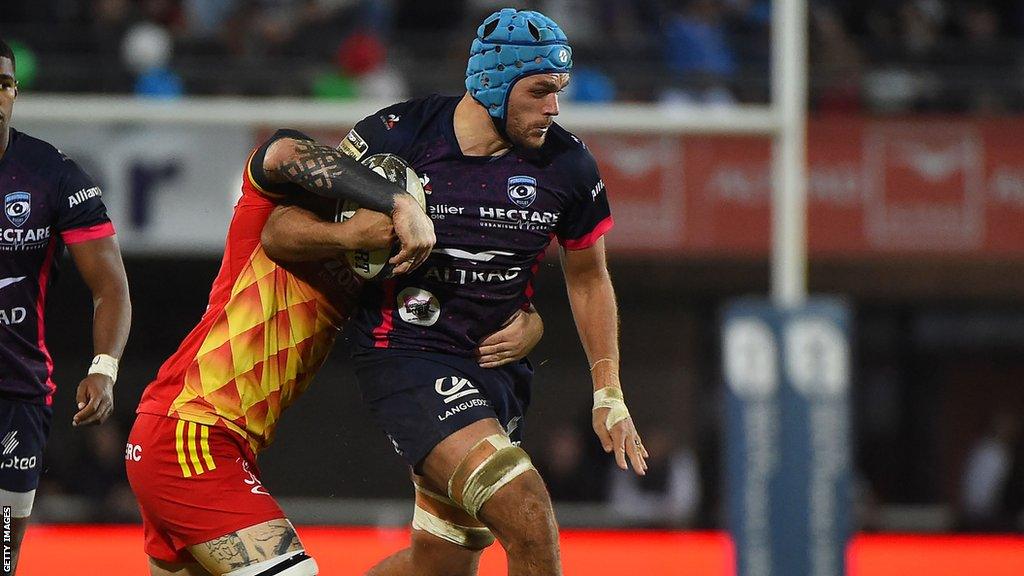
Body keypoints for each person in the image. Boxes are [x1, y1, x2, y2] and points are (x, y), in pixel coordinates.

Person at [298, 9, 647, 576]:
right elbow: (282, 229)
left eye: (558, 92)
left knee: (438, 567)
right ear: (492, 82)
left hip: (497, 376)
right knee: (528, 511)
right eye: (538, 92)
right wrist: (353, 234)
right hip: (406, 356)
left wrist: (608, 390)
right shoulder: (396, 135)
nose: (553, 107)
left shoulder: (568, 165)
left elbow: (588, 277)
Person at [125, 126, 543, 576]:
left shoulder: (372, 272)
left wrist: (533, 321)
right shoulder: (273, 211)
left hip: (212, 442)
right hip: (191, 431)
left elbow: (458, 296)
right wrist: (390, 205)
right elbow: (283, 149)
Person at [0, 38, 132, 574]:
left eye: (4, 84)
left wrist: (104, 368)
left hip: (17, 392)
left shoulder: (51, 174)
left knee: (3, 555)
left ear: (15, 93)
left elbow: (111, 286)